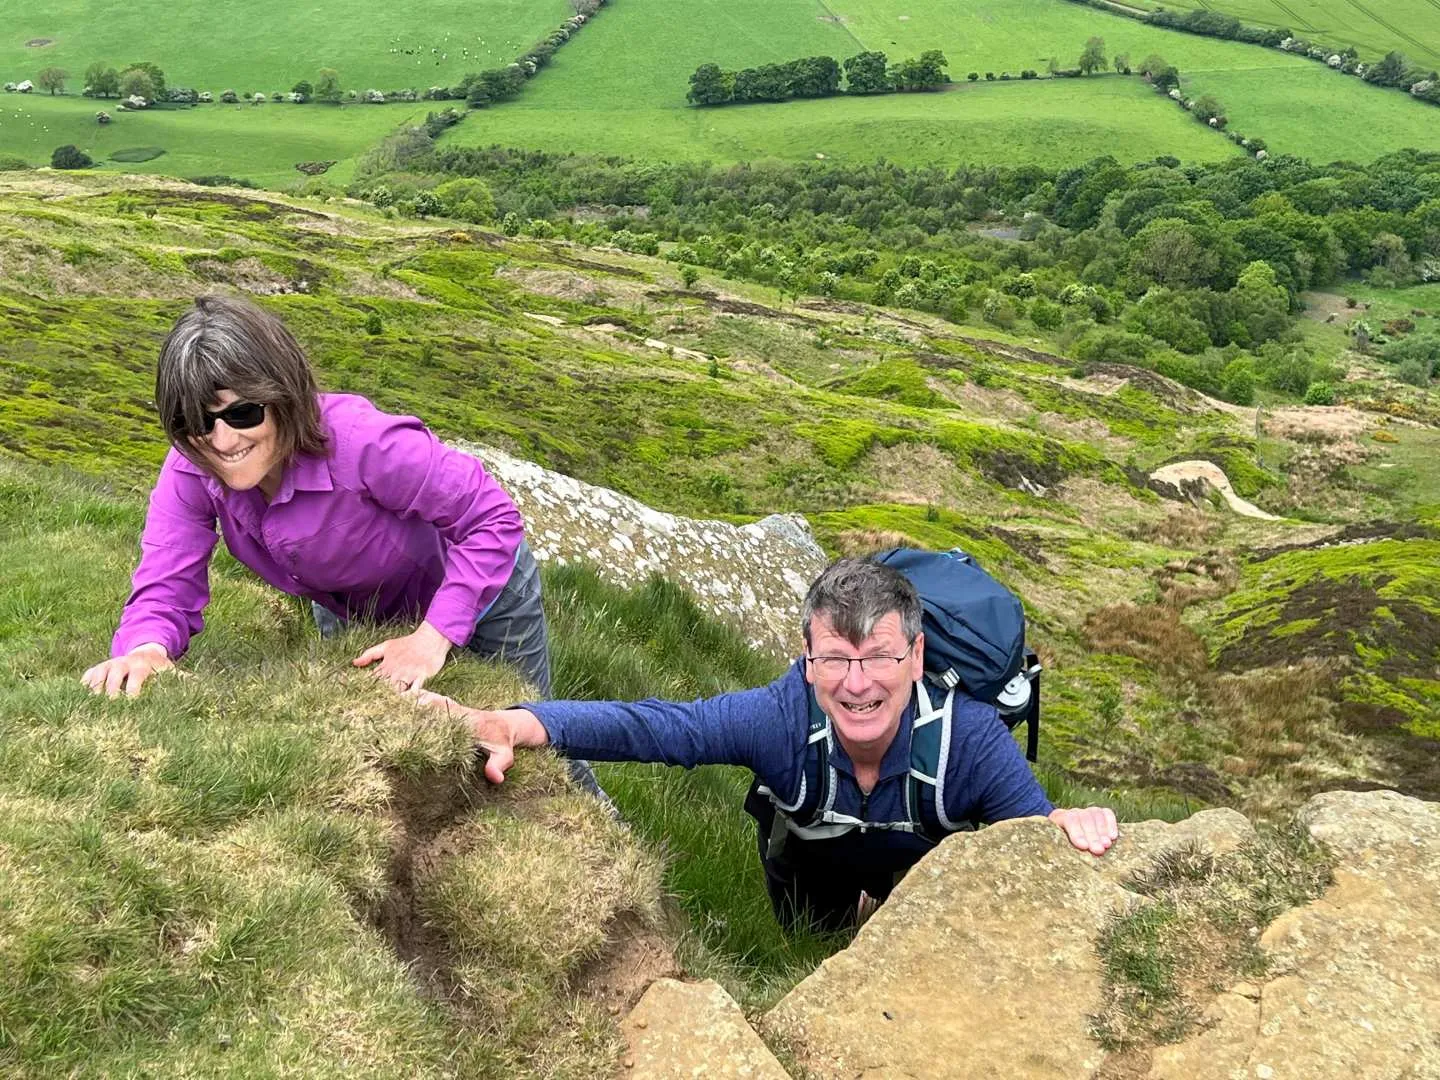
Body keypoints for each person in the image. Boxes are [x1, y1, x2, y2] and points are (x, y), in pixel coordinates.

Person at [80, 294, 605, 795]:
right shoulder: (190, 470)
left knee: (535, 739)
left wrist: (432, 638)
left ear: (283, 396)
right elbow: (165, 579)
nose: (221, 441)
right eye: (195, 422)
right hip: (356, 605)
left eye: (243, 414)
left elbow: (489, 517)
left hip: (482, 591)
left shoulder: (364, 443)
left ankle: (597, 825)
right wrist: (146, 650)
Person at [416, 557, 1117, 930]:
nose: (857, 684)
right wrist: (516, 722)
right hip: (813, 868)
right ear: (807, 661)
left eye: (878, 657)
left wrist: (1067, 826)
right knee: (811, 938)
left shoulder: (967, 737)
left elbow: (1032, 827)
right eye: (834, 660)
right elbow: (660, 727)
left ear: (915, 654)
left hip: (920, 875)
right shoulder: (779, 720)